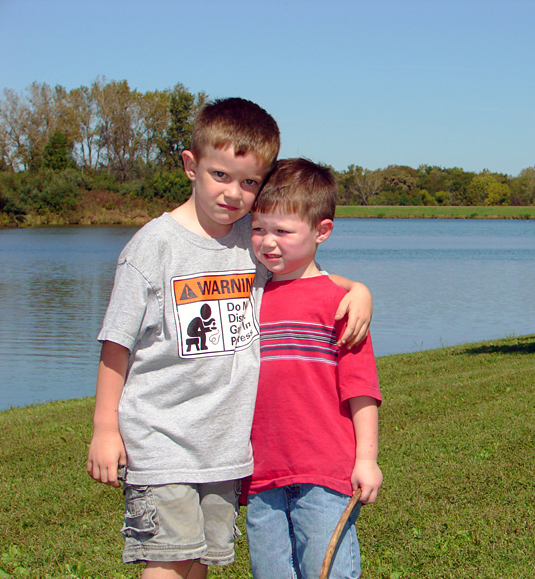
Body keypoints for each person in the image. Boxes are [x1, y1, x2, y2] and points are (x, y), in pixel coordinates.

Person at [86, 99, 372, 579]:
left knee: (200, 561)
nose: (233, 194)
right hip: (163, 441)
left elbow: (303, 271)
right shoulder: (152, 247)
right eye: (220, 175)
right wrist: (104, 428)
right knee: (168, 561)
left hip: (225, 450)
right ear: (190, 165)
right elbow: (117, 344)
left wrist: (357, 290)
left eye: (248, 182)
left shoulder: (248, 238)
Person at [245, 158, 382, 579]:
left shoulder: (339, 304)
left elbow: (360, 390)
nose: (268, 242)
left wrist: (368, 460)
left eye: (283, 231)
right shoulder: (247, 294)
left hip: (326, 473)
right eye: (258, 229)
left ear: (322, 231)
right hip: (260, 474)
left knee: (329, 572)